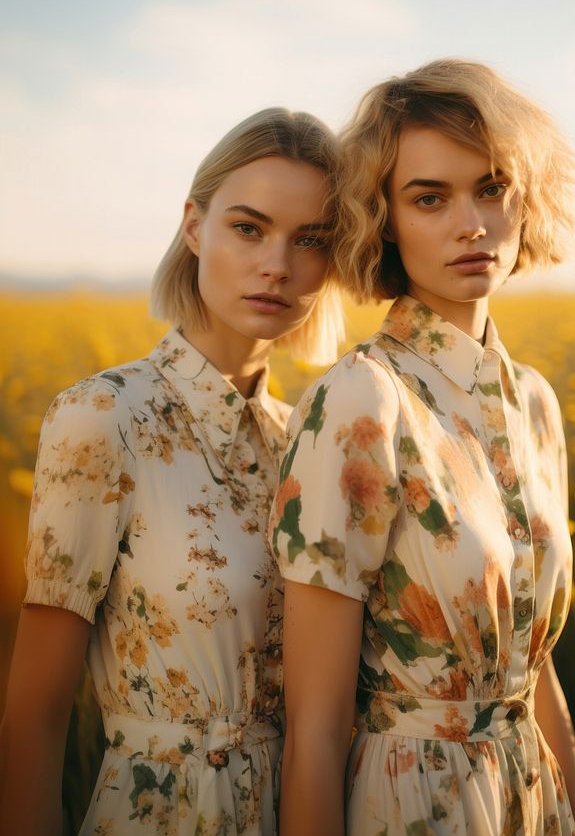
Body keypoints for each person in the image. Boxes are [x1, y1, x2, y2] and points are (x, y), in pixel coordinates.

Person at [270, 60, 575, 836]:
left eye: (492, 188)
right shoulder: (358, 403)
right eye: (429, 197)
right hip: (413, 804)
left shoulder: (535, 404)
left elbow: (530, 666)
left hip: (533, 796)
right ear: (380, 218)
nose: (472, 223)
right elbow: (313, 731)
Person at [0, 107, 344, 836]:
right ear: (194, 227)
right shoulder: (103, 418)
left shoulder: (311, 440)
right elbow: (34, 715)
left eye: (310, 241)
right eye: (248, 228)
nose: (276, 265)